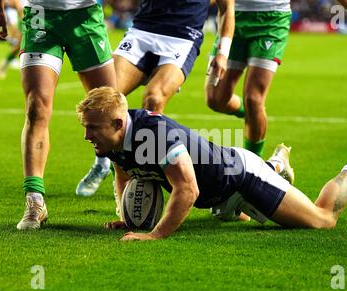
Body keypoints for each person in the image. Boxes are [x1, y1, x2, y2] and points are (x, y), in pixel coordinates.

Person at [76, 87, 347, 241]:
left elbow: (187, 190)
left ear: (118, 124)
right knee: (234, 211)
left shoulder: (156, 135)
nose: (88, 136)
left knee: (322, 219)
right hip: (218, 192)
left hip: (240, 178)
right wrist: (126, 216)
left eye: (93, 128)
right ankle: (276, 164)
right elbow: (123, 172)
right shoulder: (112, 140)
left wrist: (156, 235)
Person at [75, 0, 235, 197]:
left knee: (154, 98)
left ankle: (146, 174)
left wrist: (222, 53)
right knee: (105, 96)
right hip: (143, 30)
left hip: (183, 36)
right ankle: (102, 163)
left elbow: (227, 8)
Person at [0, 0, 117, 230]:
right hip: (40, 15)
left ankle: (123, 189)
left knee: (109, 108)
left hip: (85, 15)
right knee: (35, 107)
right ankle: (35, 200)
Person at [205, 0, 347, 159]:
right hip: (232, 15)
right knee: (215, 99)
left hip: (271, 21)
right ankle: (251, 113)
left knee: (254, 98)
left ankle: (253, 169)